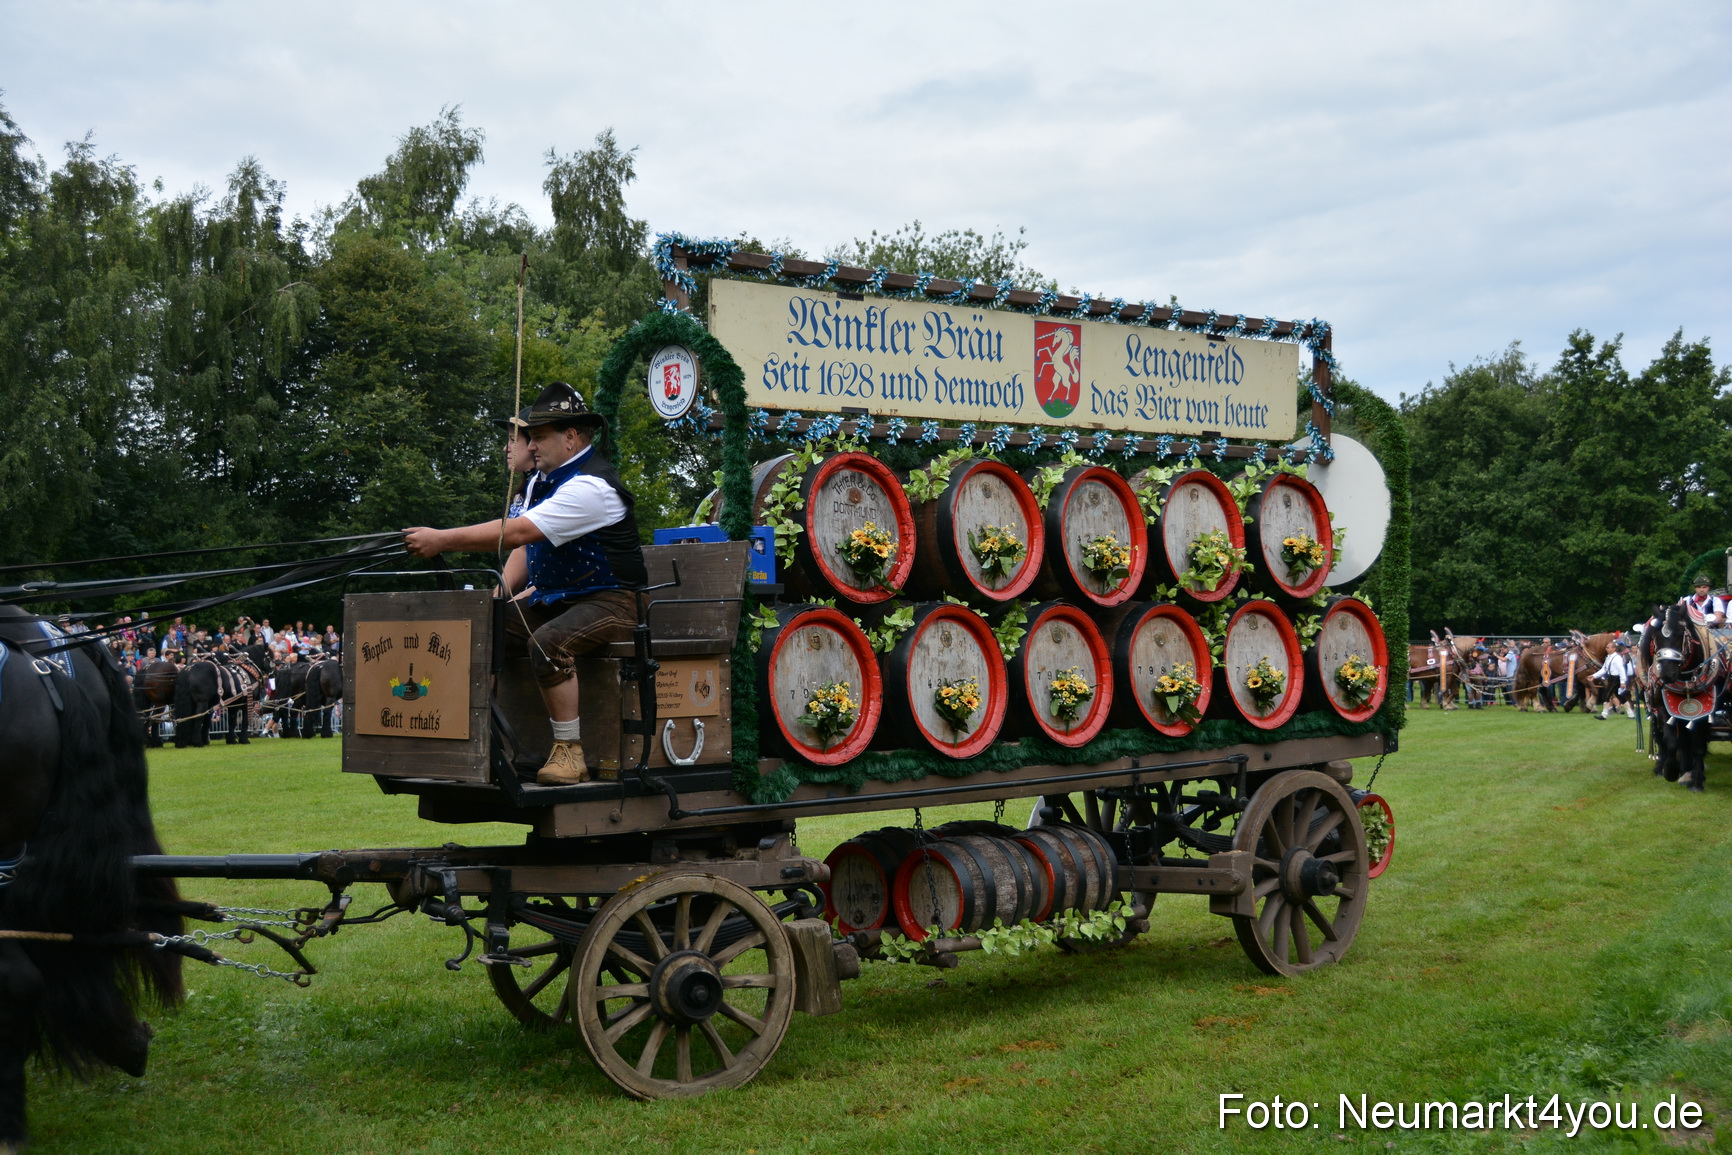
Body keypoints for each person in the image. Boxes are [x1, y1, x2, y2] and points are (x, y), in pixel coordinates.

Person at [404, 382, 646, 785]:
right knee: (482, 631)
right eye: (530, 437)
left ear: (571, 438)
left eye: (539, 436)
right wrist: (498, 599)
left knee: (548, 643)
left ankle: (570, 752)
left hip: (615, 601)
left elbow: (517, 533)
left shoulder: (591, 486)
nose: (531, 446)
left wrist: (442, 538)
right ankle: (485, 742)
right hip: (563, 599)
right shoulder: (545, 480)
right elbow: (525, 550)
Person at [1595, 640, 1635, 719]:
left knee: (1606, 695)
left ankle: (1604, 714)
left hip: (1615, 678)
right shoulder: (1608, 658)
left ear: (1613, 649)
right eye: (1606, 647)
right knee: (1620, 696)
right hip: (1611, 678)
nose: (1606, 649)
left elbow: (1621, 670)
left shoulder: (1617, 658)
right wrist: (1594, 676)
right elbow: (1604, 669)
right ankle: (1631, 714)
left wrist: (1623, 681)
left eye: (1608, 647)